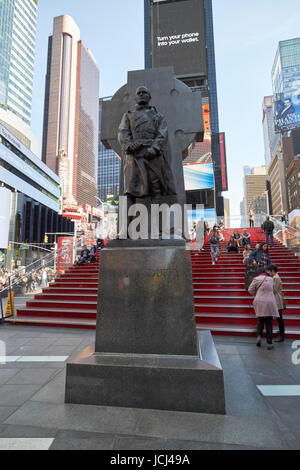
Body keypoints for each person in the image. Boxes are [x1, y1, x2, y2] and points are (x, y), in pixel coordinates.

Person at [248, 267, 279, 349]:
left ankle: (258, 337)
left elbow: (250, 290)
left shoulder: (256, 279)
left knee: (260, 320)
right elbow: (274, 289)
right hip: (270, 301)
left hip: (260, 301)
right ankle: (269, 342)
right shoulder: (271, 279)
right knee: (269, 322)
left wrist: (257, 294)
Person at [267, 264, 286, 343]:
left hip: (277, 299)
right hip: (276, 298)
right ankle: (281, 333)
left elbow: (274, 289)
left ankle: (281, 335)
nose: (268, 272)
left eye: (269, 271)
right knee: (279, 317)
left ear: (273, 271)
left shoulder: (276, 278)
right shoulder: (274, 277)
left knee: (279, 317)